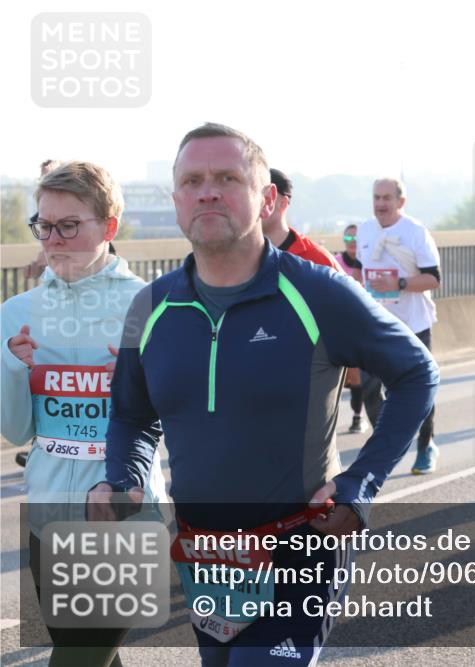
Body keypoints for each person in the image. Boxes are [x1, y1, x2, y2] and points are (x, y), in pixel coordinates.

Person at [86, 123, 438, 667]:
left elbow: (417, 373)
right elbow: (132, 417)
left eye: (228, 178)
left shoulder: (318, 292)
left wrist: (359, 484)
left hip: (299, 547)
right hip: (204, 553)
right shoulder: (150, 308)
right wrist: (124, 479)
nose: (208, 191)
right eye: (193, 180)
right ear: (176, 199)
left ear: (266, 198)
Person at [3, 161, 168, 667]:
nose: (53, 238)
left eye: (69, 225)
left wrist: (141, 383)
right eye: (44, 224)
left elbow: (182, 418)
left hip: (123, 514)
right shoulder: (16, 312)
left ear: (109, 228)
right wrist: (14, 367)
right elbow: (16, 430)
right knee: (87, 655)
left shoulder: (152, 304)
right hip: (46, 518)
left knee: (77, 659)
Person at [356, 178, 443, 474]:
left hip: (413, 324)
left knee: (420, 389)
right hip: (375, 323)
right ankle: (393, 441)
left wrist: (399, 283)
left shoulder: (415, 232)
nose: (380, 204)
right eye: (376, 197)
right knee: (369, 387)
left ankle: (425, 446)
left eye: (386, 198)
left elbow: (434, 278)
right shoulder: (365, 230)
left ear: (400, 202)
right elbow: (359, 272)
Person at [263, 168, 341, 270]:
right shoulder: (240, 257)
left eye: (266, 197)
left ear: (283, 203)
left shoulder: (318, 260)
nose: (255, 204)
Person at [335, 224, 372, 434]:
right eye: (348, 240)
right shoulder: (336, 262)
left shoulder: (368, 261)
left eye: (356, 239)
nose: (352, 244)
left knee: (357, 375)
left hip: (361, 323)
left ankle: (358, 417)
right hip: (340, 323)